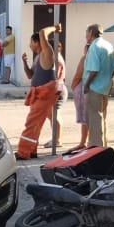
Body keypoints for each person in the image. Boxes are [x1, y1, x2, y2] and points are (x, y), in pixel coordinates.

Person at [17, 24, 61, 160]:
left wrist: (55, 28)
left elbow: (42, 32)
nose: (29, 45)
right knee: (36, 124)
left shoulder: (47, 52)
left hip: (44, 94)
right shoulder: (37, 57)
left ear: (36, 42)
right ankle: (32, 151)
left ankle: (23, 152)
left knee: (31, 124)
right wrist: (24, 63)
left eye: (31, 42)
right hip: (38, 94)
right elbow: (30, 75)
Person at [82, 24, 114, 149]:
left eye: (86, 32)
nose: (86, 35)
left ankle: (96, 147)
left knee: (94, 119)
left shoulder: (94, 47)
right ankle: (103, 145)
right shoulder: (108, 45)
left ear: (91, 32)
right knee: (102, 117)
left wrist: (87, 85)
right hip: (105, 88)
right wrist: (107, 78)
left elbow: (94, 70)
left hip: (94, 88)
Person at [70, 44, 89, 151]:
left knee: (84, 117)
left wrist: (73, 85)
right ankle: (85, 141)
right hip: (91, 88)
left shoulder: (85, 58)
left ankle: (83, 142)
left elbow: (78, 74)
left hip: (82, 88)